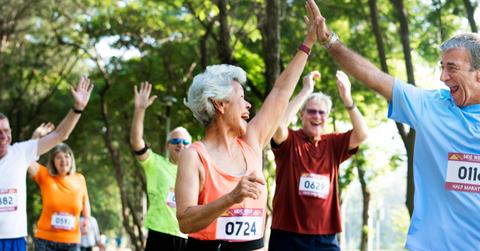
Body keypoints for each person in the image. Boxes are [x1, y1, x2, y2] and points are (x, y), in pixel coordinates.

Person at [307, 0, 480, 250]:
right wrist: (329, 41)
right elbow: (375, 77)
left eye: (452, 68)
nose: (443, 77)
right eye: (442, 67)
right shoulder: (430, 106)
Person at [175, 4, 318, 250]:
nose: (249, 105)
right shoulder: (194, 156)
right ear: (219, 104)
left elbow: (281, 91)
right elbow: (186, 222)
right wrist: (232, 197)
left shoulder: (251, 140)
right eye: (241, 98)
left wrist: (309, 42)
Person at [269, 70, 368, 251]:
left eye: (322, 113)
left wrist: (347, 98)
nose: (317, 116)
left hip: (325, 237)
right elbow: (278, 126)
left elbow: (362, 134)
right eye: (311, 111)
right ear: (302, 115)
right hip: (287, 235)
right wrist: (305, 90)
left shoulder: (333, 143)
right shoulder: (290, 140)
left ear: (327, 118)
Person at [0, 77, 93, 251]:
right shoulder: (44, 174)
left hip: (15, 239)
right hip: (45, 239)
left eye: (6, 130)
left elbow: (60, 134)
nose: (3, 136)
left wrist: (78, 108)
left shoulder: (20, 153)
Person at [130, 82, 191, 251]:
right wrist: (140, 109)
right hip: (159, 234)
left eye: (185, 142)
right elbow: (136, 142)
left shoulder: (196, 172)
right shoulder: (155, 163)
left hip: (185, 236)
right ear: (168, 145)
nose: (181, 145)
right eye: (176, 141)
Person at [28, 122, 91, 251]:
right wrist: (36, 137)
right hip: (45, 240)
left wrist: (87, 219)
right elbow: (27, 160)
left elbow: (85, 202)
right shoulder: (45, 176)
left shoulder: (80, 179)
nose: (63, 161)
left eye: (66, 156)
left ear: (71, 159)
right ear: (53, 161)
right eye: (58, 157)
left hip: (71, 242)